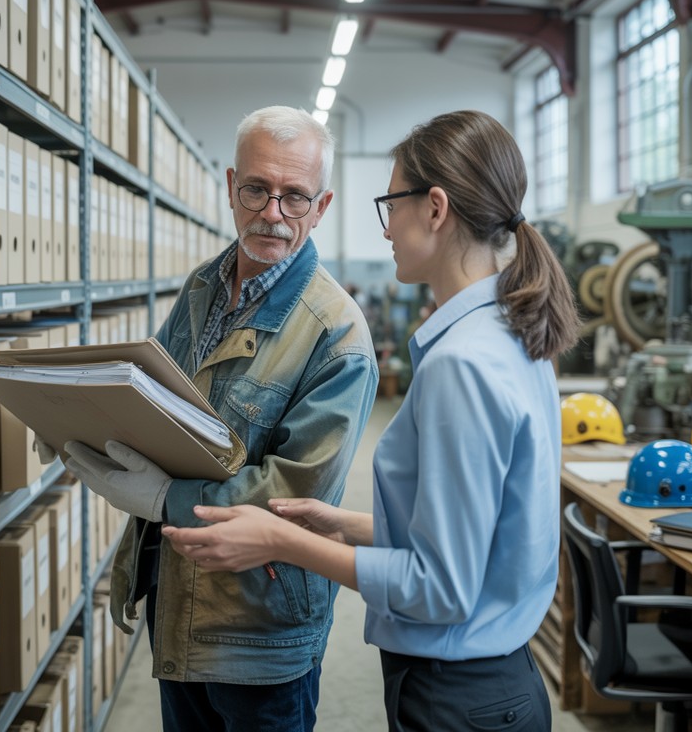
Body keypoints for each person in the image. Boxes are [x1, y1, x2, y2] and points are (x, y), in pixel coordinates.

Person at [161, 110, 580, 732]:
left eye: (393, 204)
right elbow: (478, 537)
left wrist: (282, 540)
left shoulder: (462, 363)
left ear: (434, 209)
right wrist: (349, 524)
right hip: (488, 686)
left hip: (458, 696)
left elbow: (439, 588)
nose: (387, 231)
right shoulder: (511, 335)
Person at [60, 105, 379, 732]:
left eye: (295, 196)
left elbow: (295, 495)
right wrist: (80, 416)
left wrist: (163, 497)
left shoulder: (338, 336)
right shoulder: (204, 286)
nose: (272, 213)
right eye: (257, 189)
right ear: (232, 186)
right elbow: (152, 396)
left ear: (323, 205)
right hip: (175, 595)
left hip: (258, 631)